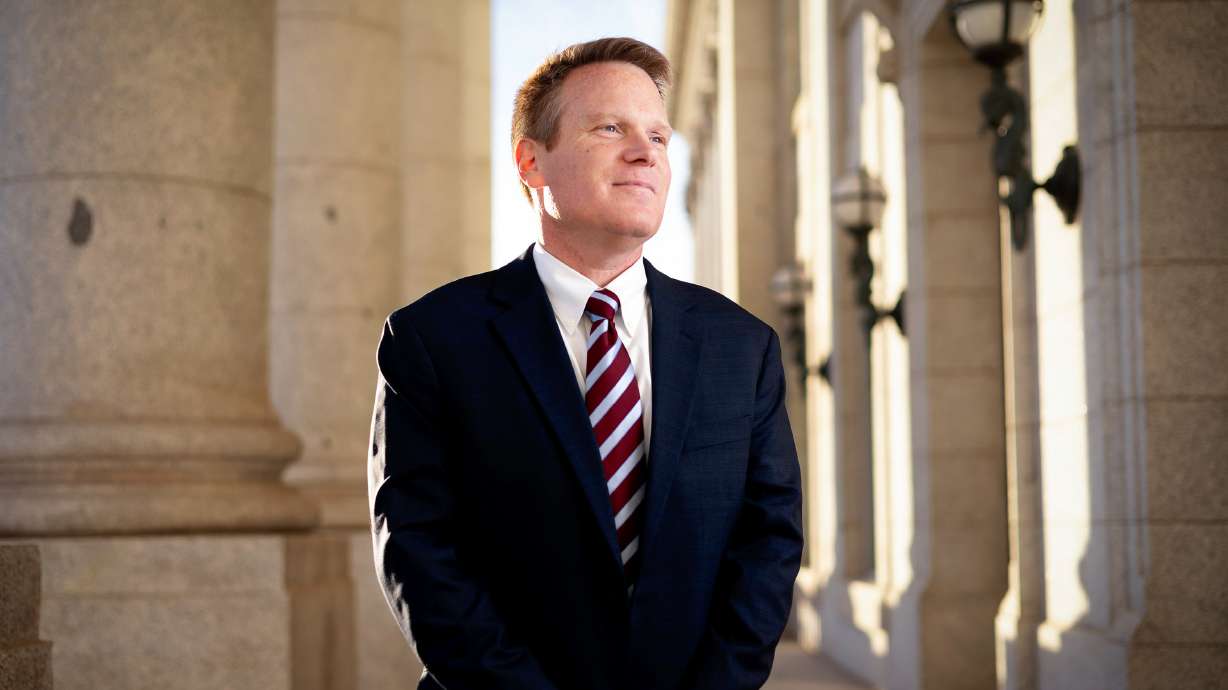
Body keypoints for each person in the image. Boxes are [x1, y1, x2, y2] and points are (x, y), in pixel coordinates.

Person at [368, 36, 803, 690]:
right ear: (531, 162)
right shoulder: (431, 340)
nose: (645, 152)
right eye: (611, 128)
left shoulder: (742, 345)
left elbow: (768, 543)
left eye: (658, 136)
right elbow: (420, 552)